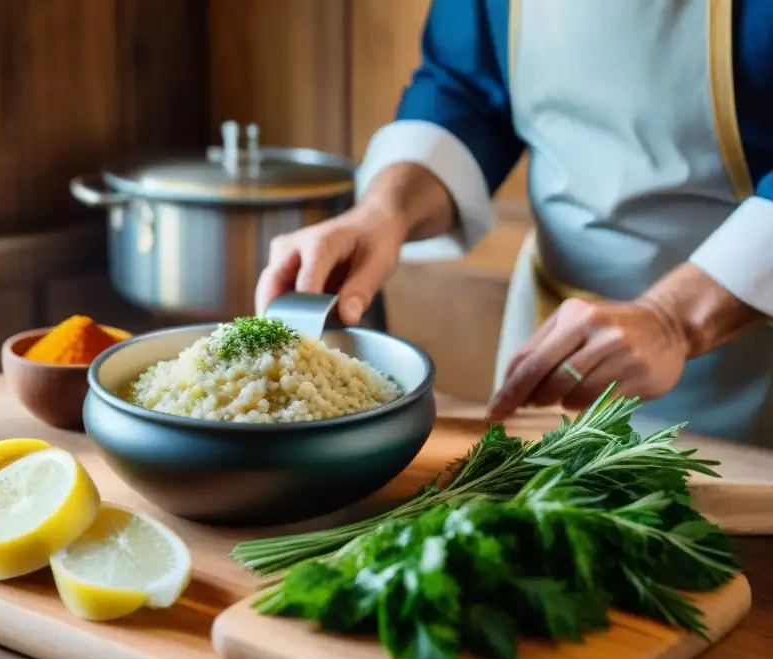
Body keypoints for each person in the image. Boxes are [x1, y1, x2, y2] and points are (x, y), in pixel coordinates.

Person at [254, 0, 773, 448]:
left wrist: (670, 319)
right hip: (554, 339)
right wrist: (384, 211)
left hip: (751, 353)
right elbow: (469, 89)